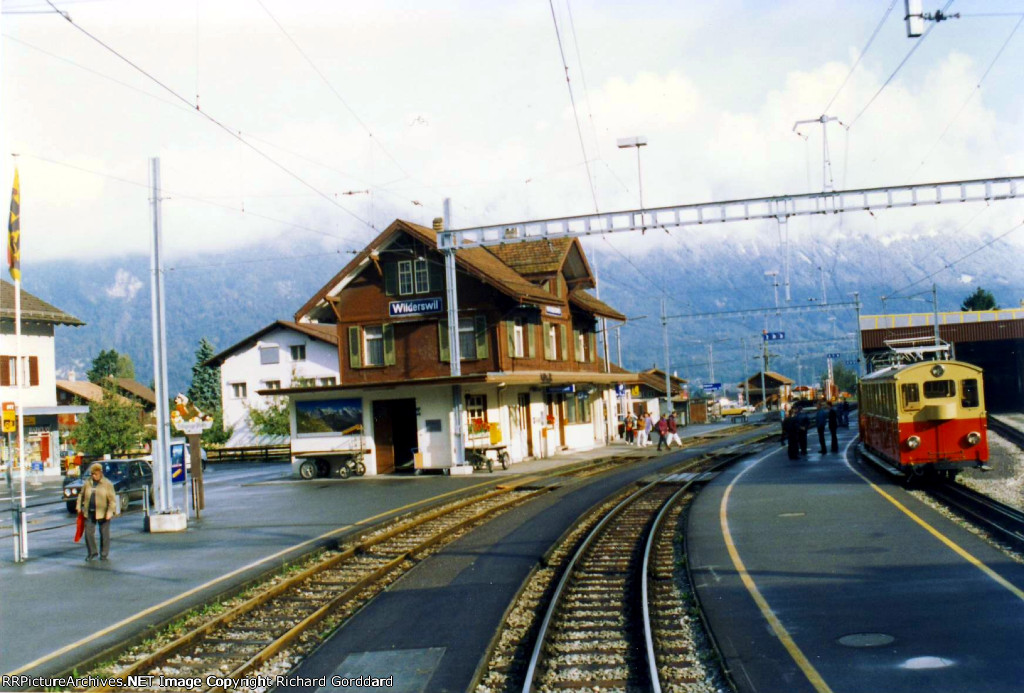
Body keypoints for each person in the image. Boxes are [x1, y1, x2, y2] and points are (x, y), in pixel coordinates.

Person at [77, 462, 116, 561]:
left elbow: (112, 500)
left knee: (104, 534)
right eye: (92, 474)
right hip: (89, 511)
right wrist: (78, 506)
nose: (94, 476)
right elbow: (81, 495)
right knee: (88, 533)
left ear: (100, 473)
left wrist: (110, 512)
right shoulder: (88, 482)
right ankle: (92, 552)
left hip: (103, 512)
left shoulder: (107, 484)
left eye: (96, 474)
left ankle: (104, 553)